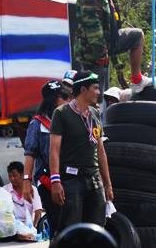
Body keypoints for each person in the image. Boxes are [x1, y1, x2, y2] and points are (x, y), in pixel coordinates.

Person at [74, 0, 155, 95]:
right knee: (96, 93)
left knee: (136, 36)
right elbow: (92, 24)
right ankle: (92, 116)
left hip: (109, 40)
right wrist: (101, 53)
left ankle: (136, 79)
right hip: (93, 53)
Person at [49, 71, 114, 229]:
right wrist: (55, 181)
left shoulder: (95, 114)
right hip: (72, 181)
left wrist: (108, 184)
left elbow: (101, 151)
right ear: (83, 90)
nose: (98, 92)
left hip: (94, 179)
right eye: (96, 88)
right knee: (71, 228)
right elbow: (54, 150)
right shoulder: (61, 113)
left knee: (97, 227)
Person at [23, 80, 71, 244]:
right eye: (63, 97)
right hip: (47, 180)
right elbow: (30, 153)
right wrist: (26, 182)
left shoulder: (70, 119)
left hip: (70, 179)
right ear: (53, 100)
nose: (67, 100)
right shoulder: (38, 124)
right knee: (57, 224)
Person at [4, 162, 43, 234]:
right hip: (11, 225)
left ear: (22, 175)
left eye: (15, 176)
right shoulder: (5, 190)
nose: (12, 179)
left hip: (28, 225)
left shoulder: (32, 189)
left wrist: (34, 226)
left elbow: (38, 210)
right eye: (10, 176)